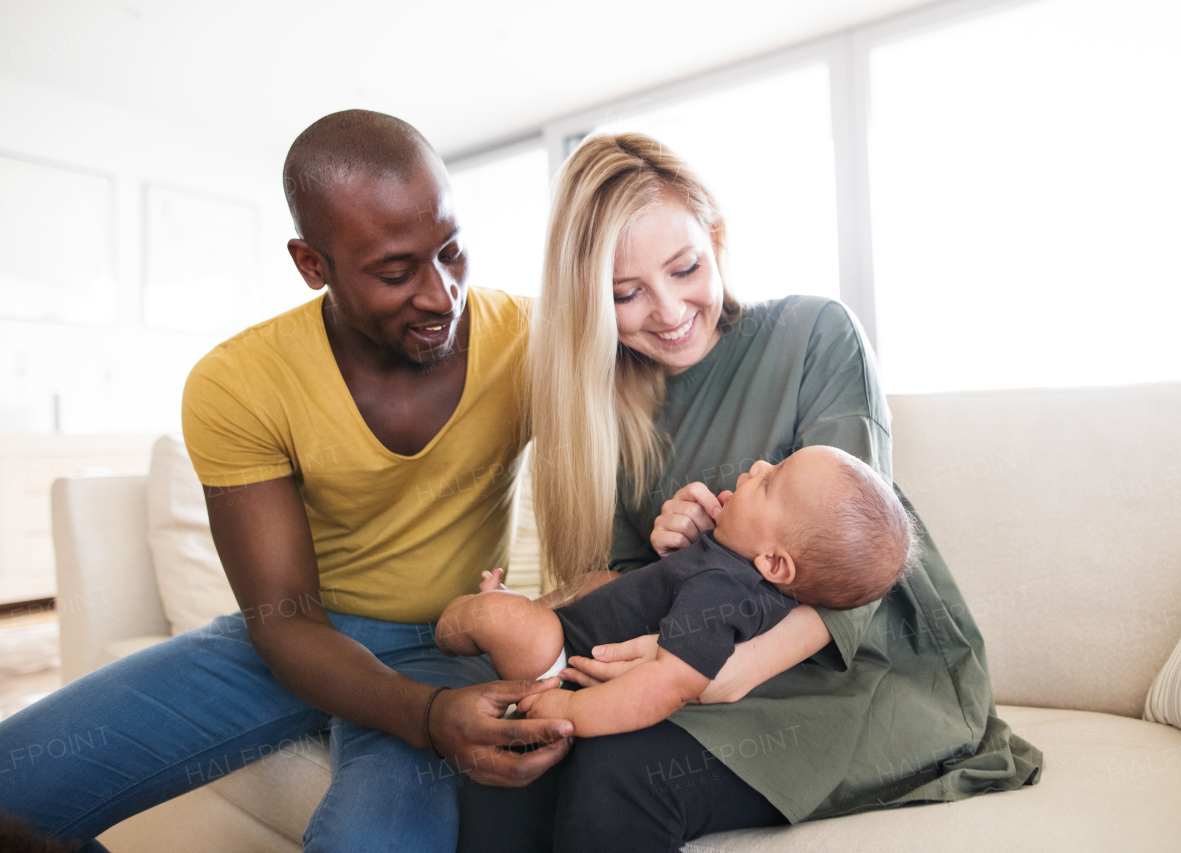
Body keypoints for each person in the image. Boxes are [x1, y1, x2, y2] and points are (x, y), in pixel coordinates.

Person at [0, 110, 574, 852]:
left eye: (452, 251)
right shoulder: (238, 382)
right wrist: (426, 715)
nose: (440, 295)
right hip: (297, 633)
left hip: (448, 638)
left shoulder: (530, 341)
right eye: (396, 272)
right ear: (312, 265)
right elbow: (284, 621)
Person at [457, 133, 1043, 853]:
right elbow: (632, 596)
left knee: (620, 769)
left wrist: (725, 673)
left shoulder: (814, 333)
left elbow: (859, 554)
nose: (669, 310)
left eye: (684, 268)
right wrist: (662, 553)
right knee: (516, 753)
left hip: (850, 672)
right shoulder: (605, 409)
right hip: (692, 655)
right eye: (626, 293)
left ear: (716, 237)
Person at [436, 446, 917, 737]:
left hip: (567, 662)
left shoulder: (722, 591)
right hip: (572, 629)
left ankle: (456, 625)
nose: (758, 465)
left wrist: (571, 711)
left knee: (494, 618)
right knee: (594, 581)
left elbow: (666, 686)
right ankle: (508, 607)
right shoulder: (728, 567)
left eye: (770, 481)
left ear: (773, 562)